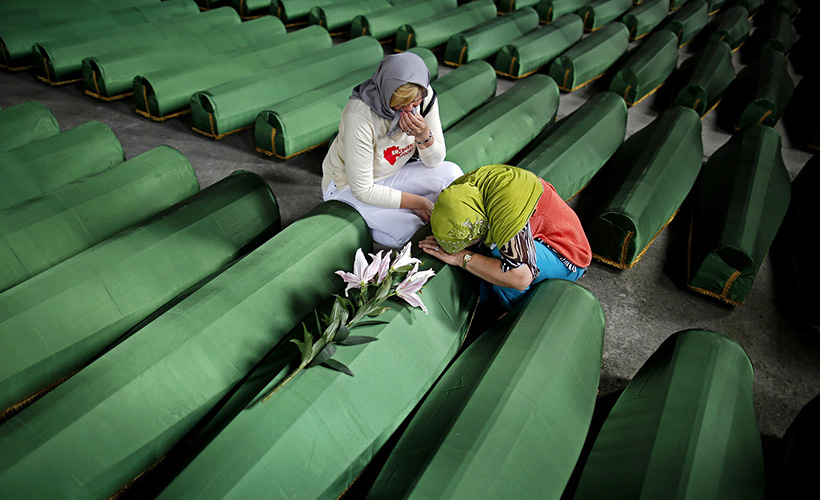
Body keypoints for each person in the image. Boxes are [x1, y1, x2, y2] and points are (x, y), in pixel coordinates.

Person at [321, 52, 463, 248]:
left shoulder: (425, 96)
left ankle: (388, 214)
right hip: (348, 187)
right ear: (387, 93)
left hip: (392, 174)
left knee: (452, 174)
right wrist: (419, 203)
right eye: (400, 106)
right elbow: (363, 190)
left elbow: (434, 161)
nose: (409, 111)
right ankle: (363, 223)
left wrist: (423, 136)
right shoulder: (359, 116)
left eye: (414, 103)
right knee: (412, 229)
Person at [420, 164, 592, 311]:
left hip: (567, 253)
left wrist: (461, 257)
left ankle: (508, 316)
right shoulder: (460, 191)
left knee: (503, 265)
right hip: (532, 230)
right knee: (488, 262)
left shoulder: (506, 212)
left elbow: (519, 277)